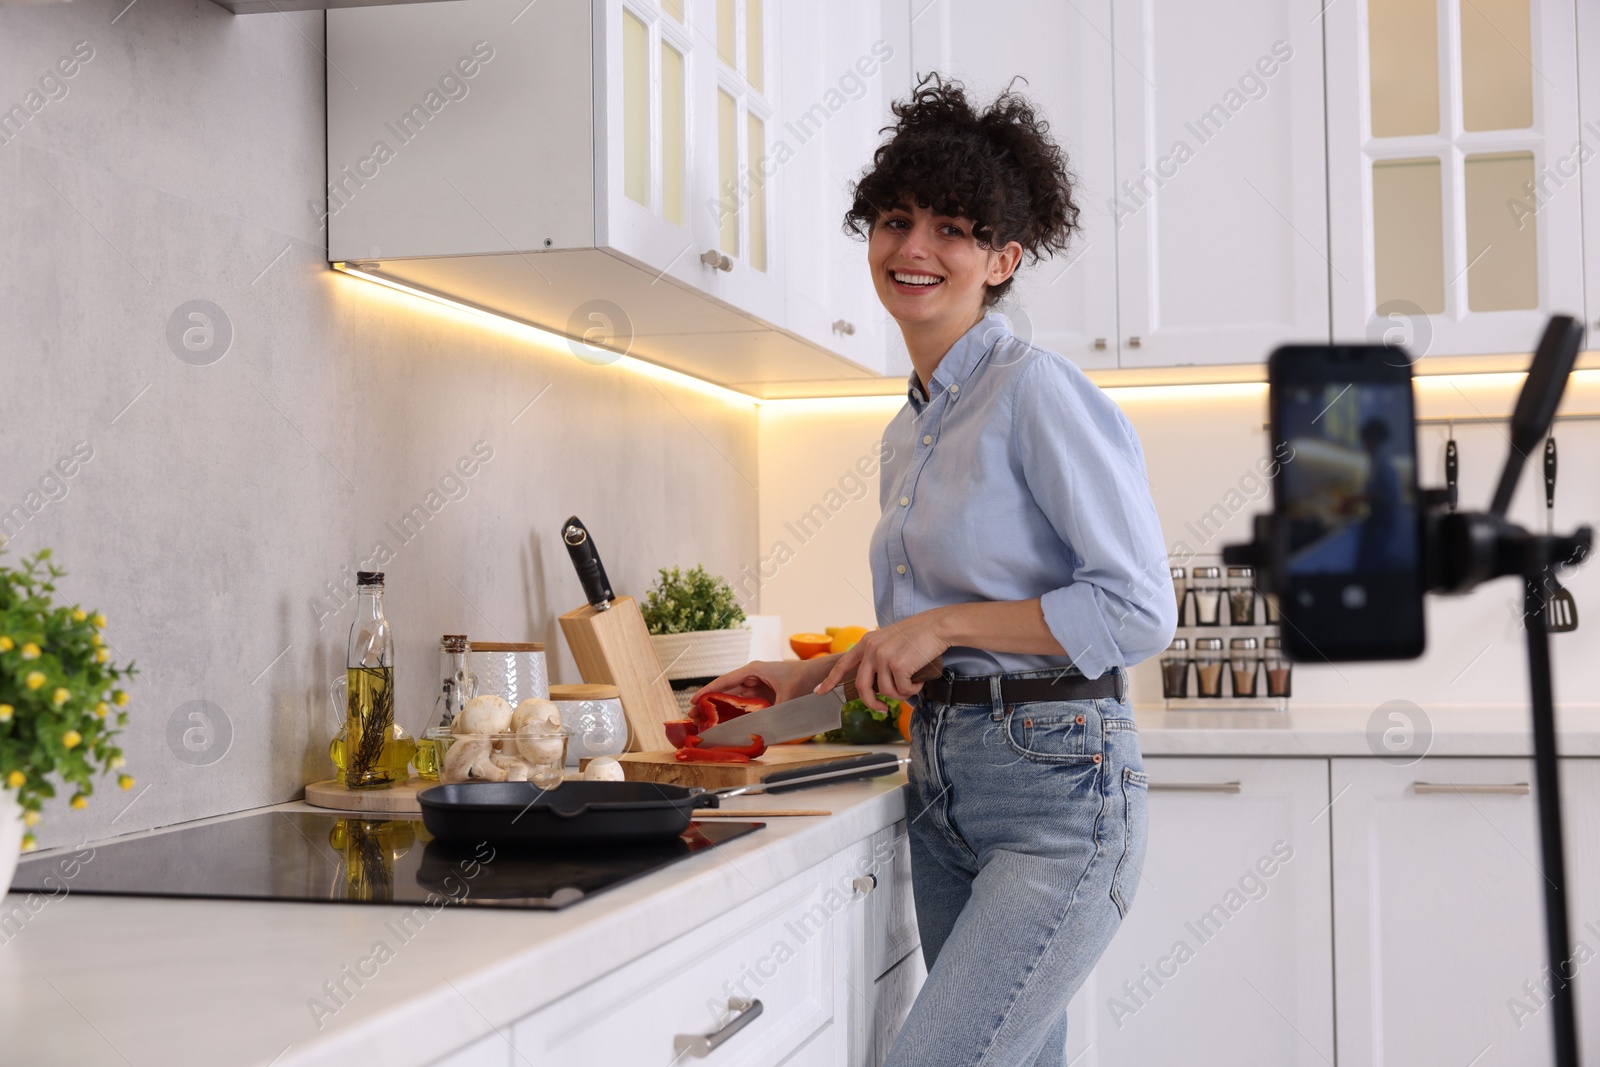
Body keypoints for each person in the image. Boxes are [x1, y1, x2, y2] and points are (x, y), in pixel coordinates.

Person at [694, 75, 1176, 1067]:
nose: (913, 249)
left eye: (951, 229)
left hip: (1059, 790)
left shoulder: (1034, 391)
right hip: (945, 779)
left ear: (1003, 257)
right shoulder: (908, 429)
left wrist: (948, 622)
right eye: (894, 219)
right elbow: (926, 643)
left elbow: (1133, 608)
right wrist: (808, 679)